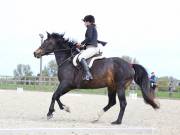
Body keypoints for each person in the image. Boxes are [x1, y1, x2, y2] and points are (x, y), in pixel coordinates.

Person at [76, 15, 103, 81]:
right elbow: (91, 40)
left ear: (88, 22)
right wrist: (83, 46)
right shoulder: (93, 27)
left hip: (92, 48)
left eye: (85, 22)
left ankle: (88, 74)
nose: (84, 23)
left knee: (81, 57)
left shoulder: (90, 27)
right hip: (90, 47)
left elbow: (89, 38)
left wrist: (81, 43)